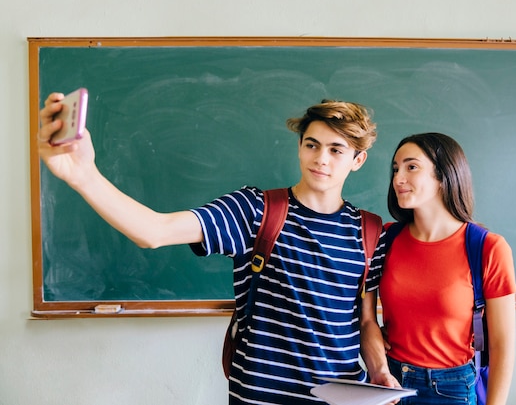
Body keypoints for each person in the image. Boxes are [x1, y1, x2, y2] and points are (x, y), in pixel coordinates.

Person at [38, 94, 398, 405]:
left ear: (357, 160)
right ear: (300, 146)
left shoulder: (368, 230)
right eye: (312, 144)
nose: (321, 158)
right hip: (260, 396)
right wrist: (82, 175)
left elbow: (366, 319)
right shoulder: (255, 210)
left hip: (342, 396)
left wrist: (380, 371)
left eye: (337, 150)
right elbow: (153, 230)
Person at [374, 133, 516, 405]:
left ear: (443, 176)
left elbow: (502, 347)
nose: (398, 179)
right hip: (389, 384)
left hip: (451, 390)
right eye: (395, 169)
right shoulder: (386, 238)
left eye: (411, 167)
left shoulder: (488, 248)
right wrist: (370, 333)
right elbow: (354, 303)